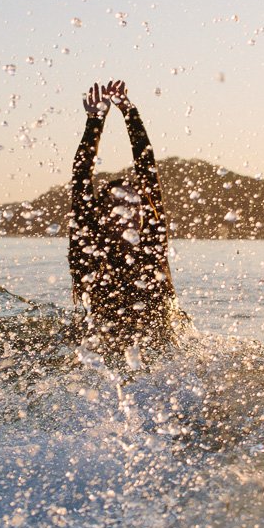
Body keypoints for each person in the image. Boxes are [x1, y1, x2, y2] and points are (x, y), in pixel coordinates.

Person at [68, 80, 188, 355]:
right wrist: (94, 121)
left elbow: (147, 169)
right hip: (101, 353)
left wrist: (129, 112)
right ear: (101, 214)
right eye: (119, 205)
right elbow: (80, 178)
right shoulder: (87, 251)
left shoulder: (152, 248)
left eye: (135, 205)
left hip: (160, 355)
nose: (130, 213)